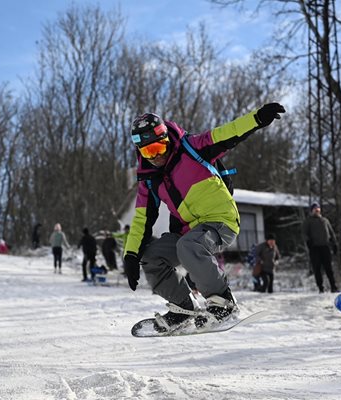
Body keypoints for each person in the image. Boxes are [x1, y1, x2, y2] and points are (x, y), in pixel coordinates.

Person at [122, 102, 286, 333]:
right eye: (148, 152)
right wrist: (131, 255)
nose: (156, 156)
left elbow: (230, 132)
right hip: (188, 232)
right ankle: (183, 309)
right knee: (151, 256)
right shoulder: (149, 179)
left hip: (221, 221)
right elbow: (141, 220)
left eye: (159, 147)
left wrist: (257, 118)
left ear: (167, 138)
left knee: (188, 245)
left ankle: (223, 303)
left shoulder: (192, 147)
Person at [302, 202, 339, 293]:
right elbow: (304, 233)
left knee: (328, 268)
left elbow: (331, 232)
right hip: (314, 247)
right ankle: (320, 287)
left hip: (325, 246)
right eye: (315, 209)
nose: (317, 211)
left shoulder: (325, 220)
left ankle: (333, 286)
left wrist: (335, 243)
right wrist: (308, 241)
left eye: (318, 209)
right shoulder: (308, 221)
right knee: (317, 268)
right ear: (312, 211)